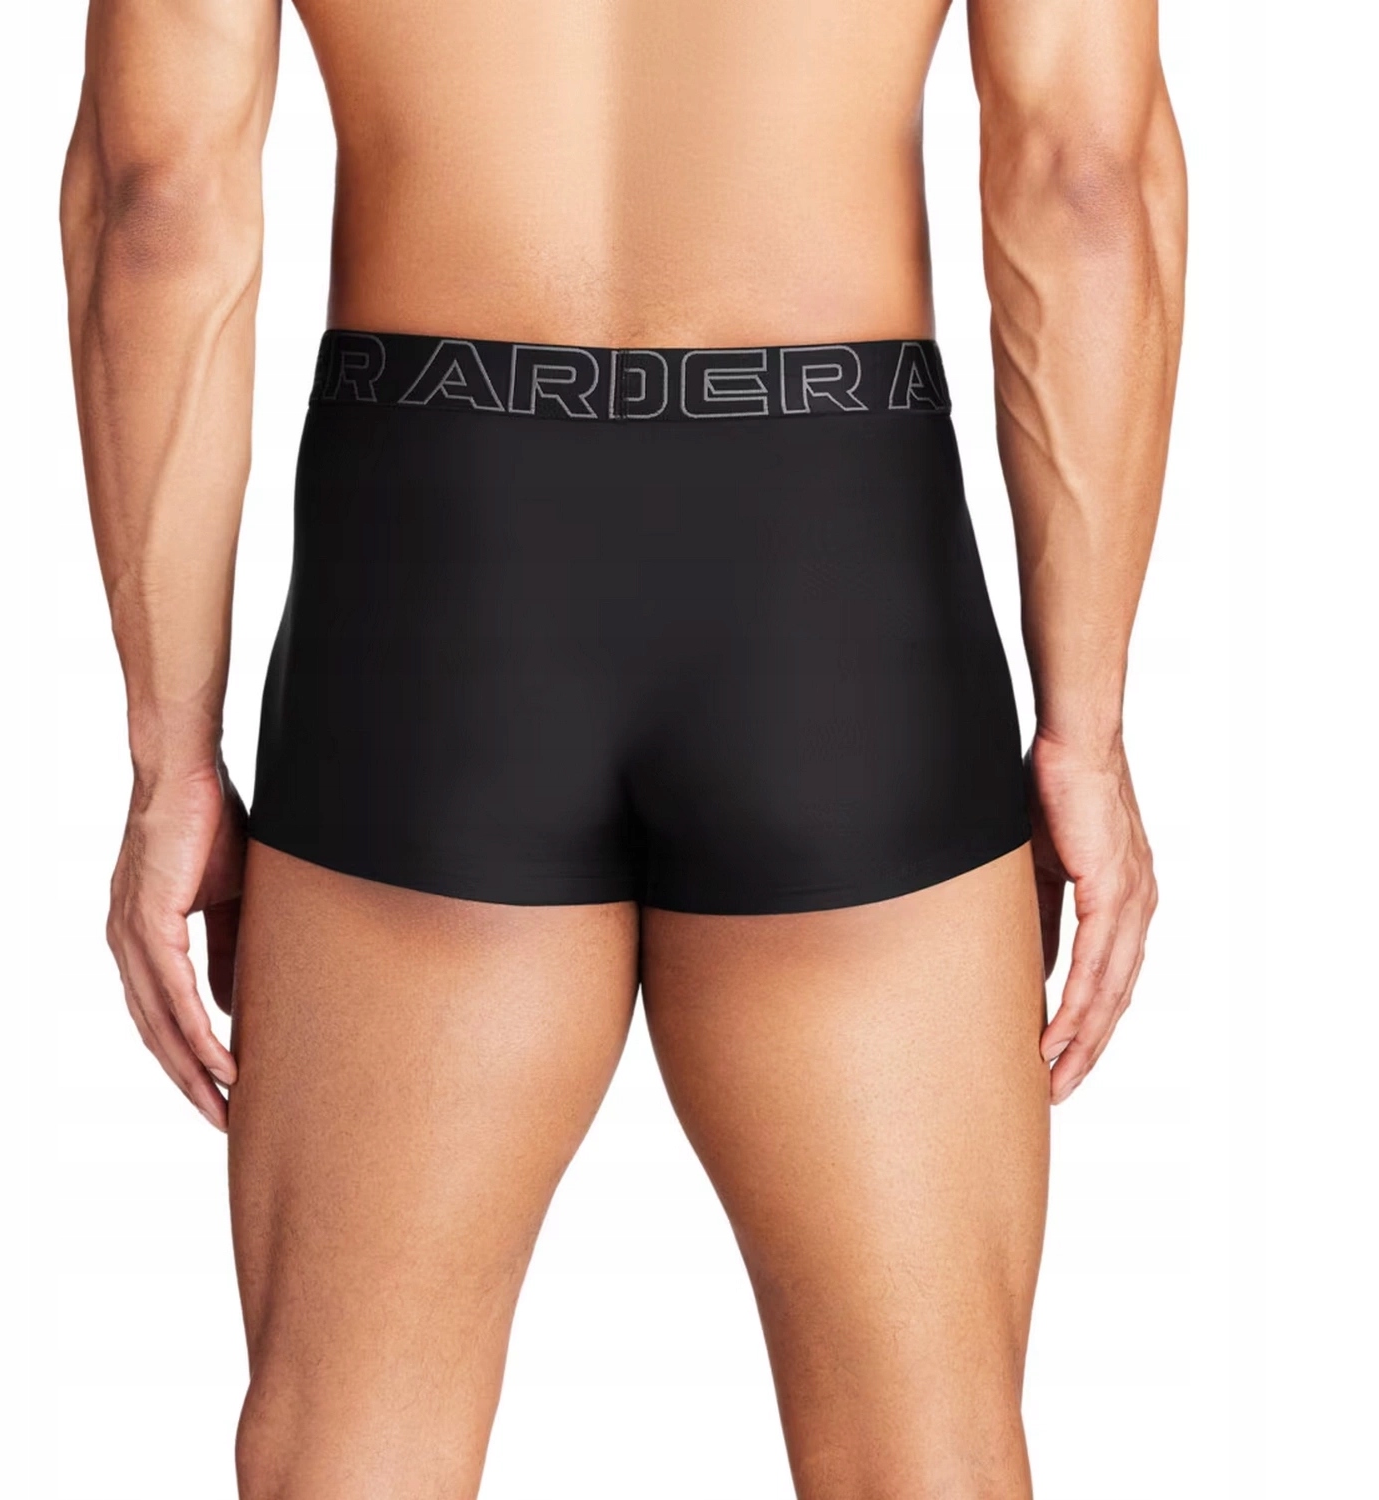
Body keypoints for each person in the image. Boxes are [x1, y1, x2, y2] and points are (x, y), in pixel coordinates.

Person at [60, 0, 1185, 1493]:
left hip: (440, 570)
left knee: (348, 1446)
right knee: (927, 1454)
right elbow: (1083, 177)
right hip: (833, 570)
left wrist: (170, 759)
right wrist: (1084, 732)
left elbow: (160, 197)